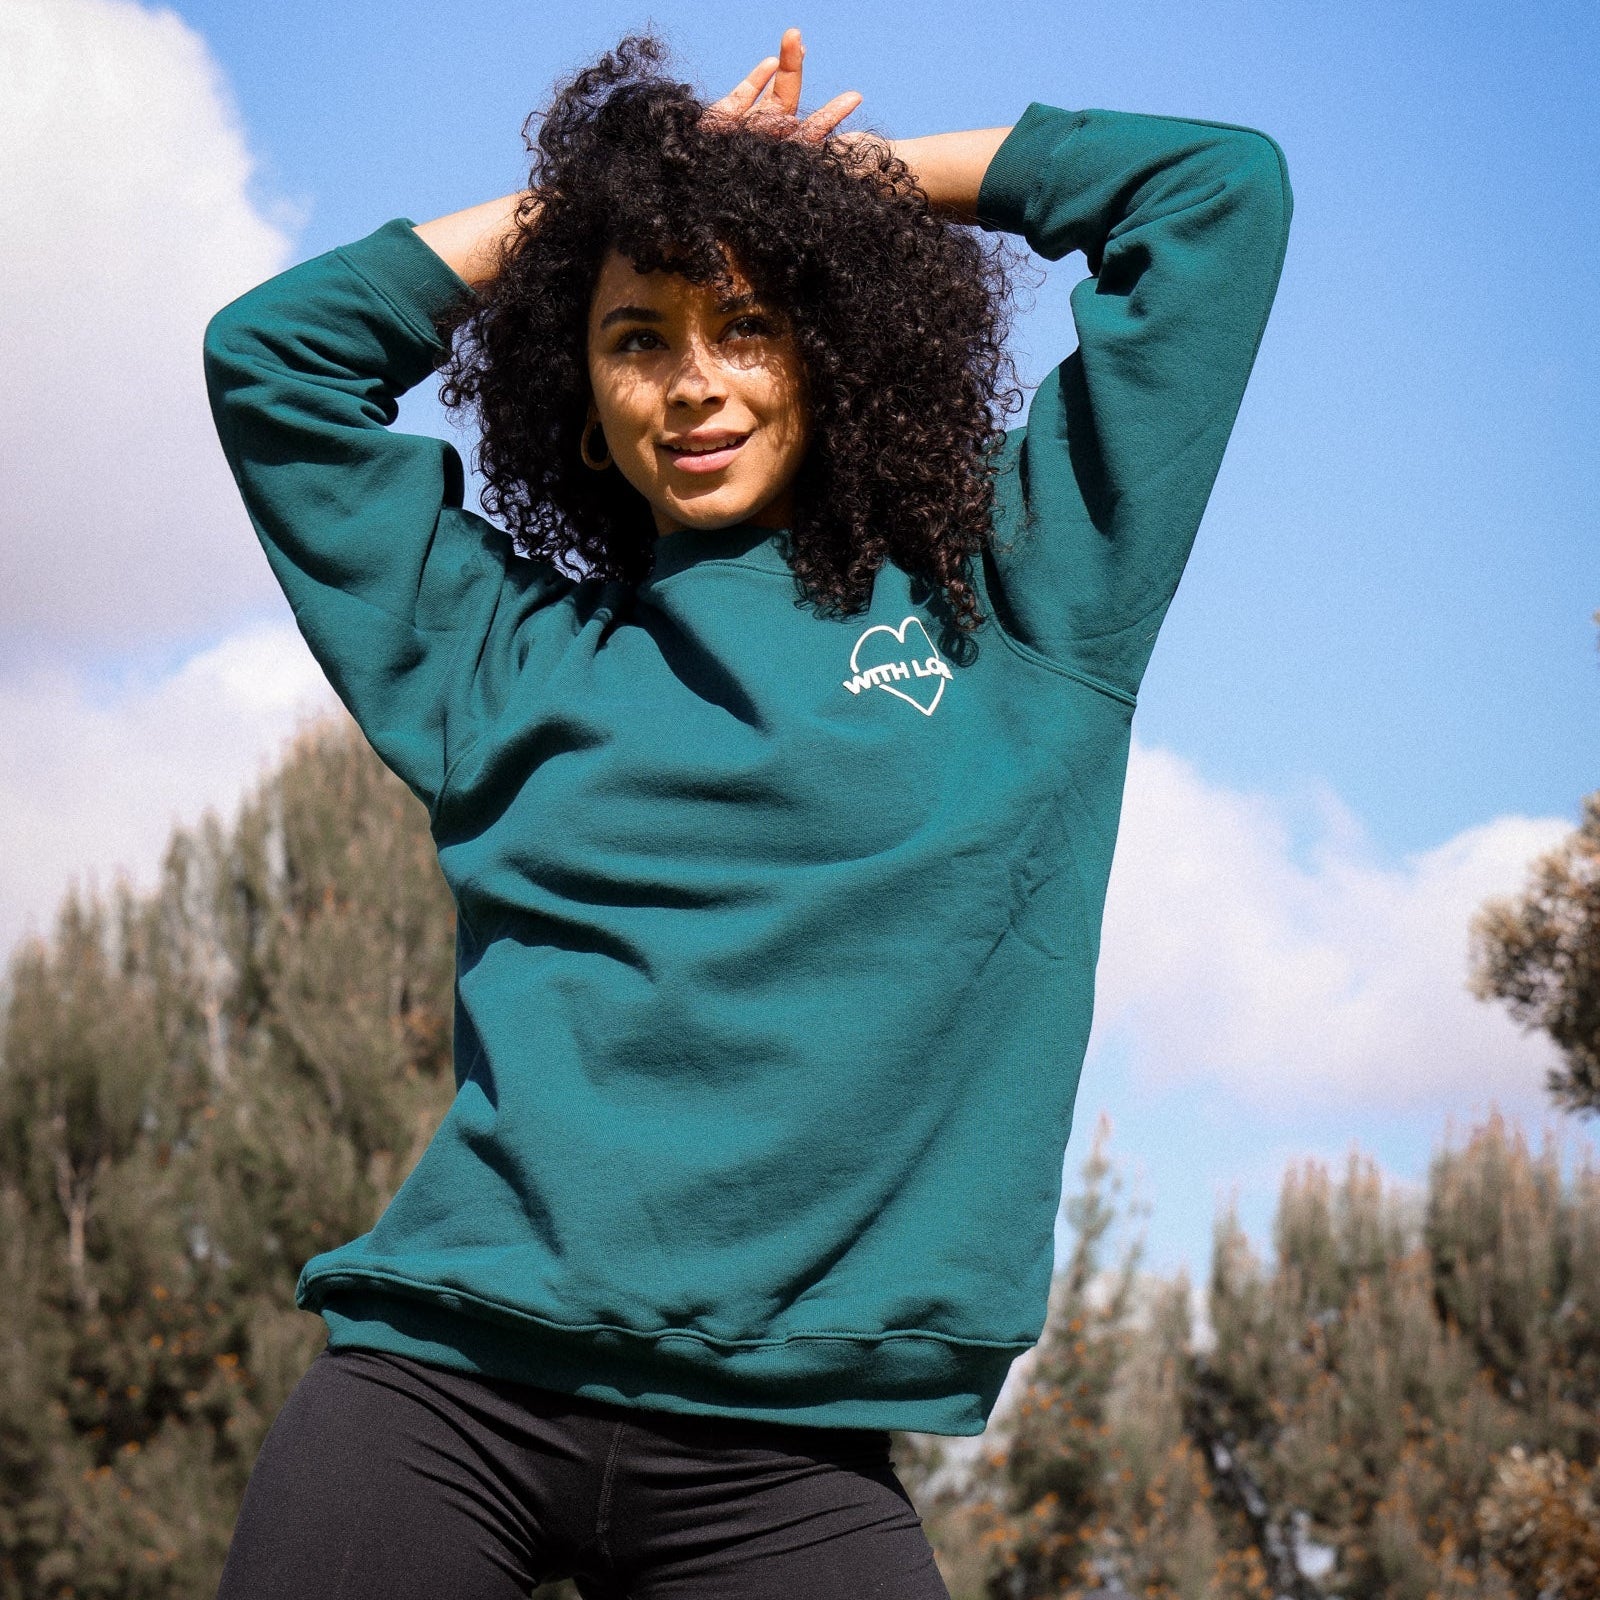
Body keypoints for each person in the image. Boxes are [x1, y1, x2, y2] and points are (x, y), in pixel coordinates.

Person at [202, 25, 1292, 1600]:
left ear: (834, 352)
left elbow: (1216, 196)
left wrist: (822, 183)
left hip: (785, 1463)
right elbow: (273, 358)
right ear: (578, 387)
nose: (695, 382)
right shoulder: (498, 660)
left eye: (751, 322)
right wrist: (599, 203)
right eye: (637, 335)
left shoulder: (1025, 598)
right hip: (439, 1396)